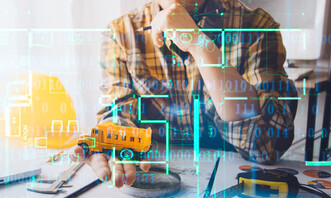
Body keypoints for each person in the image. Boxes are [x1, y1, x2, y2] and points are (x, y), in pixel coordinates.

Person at [71, 0, 298, 187]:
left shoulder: (256, 26)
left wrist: (201, 45)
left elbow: (269, 146)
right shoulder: (121, 33)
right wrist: (111, 135)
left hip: (236, 187)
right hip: (155, 180)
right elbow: (119, 111)